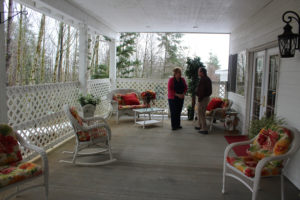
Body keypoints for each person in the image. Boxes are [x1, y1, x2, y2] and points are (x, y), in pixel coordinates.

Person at [195, 67, 212, 134]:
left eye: (199, 71)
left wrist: (199, 98)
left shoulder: (204, 79)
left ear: (202, 72)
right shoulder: (206, 79)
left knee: (201, 113)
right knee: (200, 112)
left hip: (203, 99)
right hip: (204, 98)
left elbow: (202, 91)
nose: (198, 73)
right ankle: (200, 126)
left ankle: (204, 129)